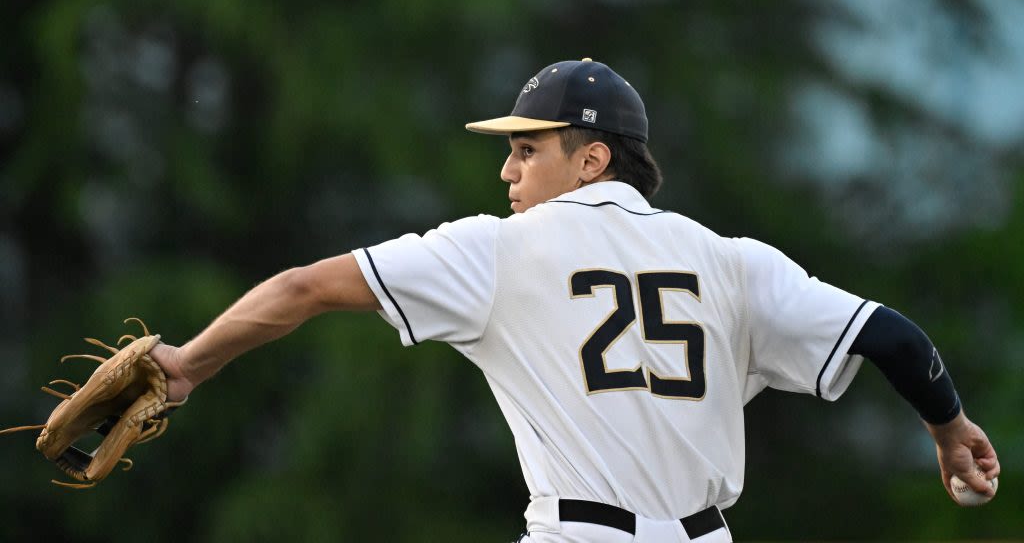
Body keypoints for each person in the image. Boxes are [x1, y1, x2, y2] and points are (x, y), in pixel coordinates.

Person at [149, 58, 1000, 542]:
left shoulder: (497, 249)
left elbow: (302, 289)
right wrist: (949, 427)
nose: (507, 172)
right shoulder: (731, 259)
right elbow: (892, 337)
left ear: (591, 159)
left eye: (526, 150)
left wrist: (189, 364)